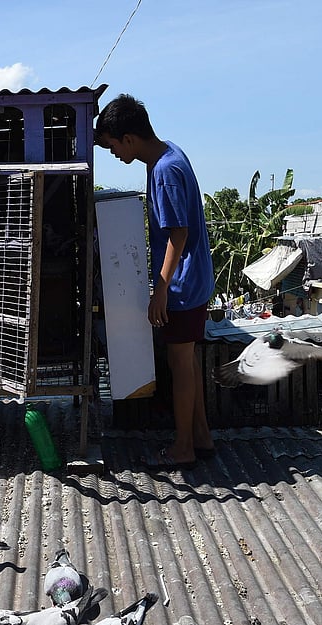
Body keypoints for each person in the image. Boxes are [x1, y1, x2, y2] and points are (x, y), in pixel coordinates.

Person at [95, 94, 215, 467]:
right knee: (188, 360)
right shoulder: (170, 153)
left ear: (129, 138)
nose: (114, 153)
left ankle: (183, 449)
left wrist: (160, 288)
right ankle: (201, 436)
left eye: (113, 145)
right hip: (194, 278)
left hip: (181, 282)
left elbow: (178, 233)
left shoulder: (163, 170)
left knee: (179, 364)